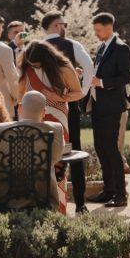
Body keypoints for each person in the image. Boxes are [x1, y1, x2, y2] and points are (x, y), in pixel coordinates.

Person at [0, 91, 65, 214]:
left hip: (0, 203)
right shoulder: (55, 130)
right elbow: (55, 158)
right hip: (40, 201)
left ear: (19, 108)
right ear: (44, 112)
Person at [18, 40, 85, 214]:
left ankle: (59, 207)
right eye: (32, 64)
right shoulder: (27, 66)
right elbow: (20, 95)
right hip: (32, 117)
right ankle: (33, 207)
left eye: (37, 64)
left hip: (58, 116)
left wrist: (59, 97)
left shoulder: (63, 67)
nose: (34, 67)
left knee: (57, 159)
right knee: (33, 160)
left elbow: (79, 93)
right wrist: (21, 115)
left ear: (46, 59)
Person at [41, 10, 95, 214]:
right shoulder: (71, 45)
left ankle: (46, 202)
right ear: (57, 25)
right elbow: (89, 66)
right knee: (74, 151)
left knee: (43, 152)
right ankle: (80, 203)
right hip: (68, 105)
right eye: (62, 24)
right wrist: (82, 92)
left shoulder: (34, 48)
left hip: (42, 107)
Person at [88, 12, 130, 207]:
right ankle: (108, 190)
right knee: (100, 147)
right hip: (98, 105)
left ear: (108, 27)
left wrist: (101, 82)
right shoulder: (101, 47)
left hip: (112, 106)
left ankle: (121, 194)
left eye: (98, 30)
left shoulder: (121, 48)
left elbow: (126, 77)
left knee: (112, 149)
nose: (96, 34)